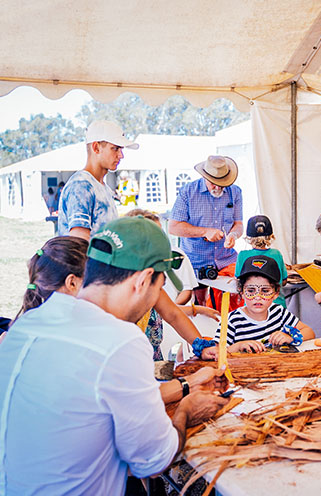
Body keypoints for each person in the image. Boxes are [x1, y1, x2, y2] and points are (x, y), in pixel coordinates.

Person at [0, 216, 229, 494]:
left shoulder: (26, 324)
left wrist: (186, 383)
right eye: (158, 288)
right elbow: (154, 461)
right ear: (143, 281)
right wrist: (186, 411)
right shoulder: (120, 340)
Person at [125, 209, 218, 361]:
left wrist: (201, 346)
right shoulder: (116, 283)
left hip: (152, 359)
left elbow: (173, 314)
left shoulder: (151, 283)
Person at [169, 155, 243, 307]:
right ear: (204, 176)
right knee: (199, 304)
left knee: (231, 303)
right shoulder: (188, 192)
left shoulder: (235, 192)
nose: (217, 188)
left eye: (221, 184)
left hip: (226, 259)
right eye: (213, 183)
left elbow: (239, 224)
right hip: (196, 261)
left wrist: (233, 235)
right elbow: (173, 227)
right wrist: (204, 232)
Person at [207, 255, 314, 356]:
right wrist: (238, 346)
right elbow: (217, 352)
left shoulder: (279, 312)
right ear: (241, 292)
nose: (258, 297)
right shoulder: (231, 321)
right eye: (251, 290)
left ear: (276, 293)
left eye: (265, 291)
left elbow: (309, 332)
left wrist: (290, 337)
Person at [58, 120, 138, 239]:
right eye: (115, 148)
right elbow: (78, 242)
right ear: (96, 147)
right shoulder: (81, 186)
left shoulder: (102, 187)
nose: (121, 155)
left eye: (121, 149)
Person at [235, 215, 288, 308]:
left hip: (252, 306)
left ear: (248, 237)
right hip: (276, 305)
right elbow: (284, 281)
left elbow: (238, 281)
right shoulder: (276, 254)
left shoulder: (242, 255)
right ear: (270, 236)